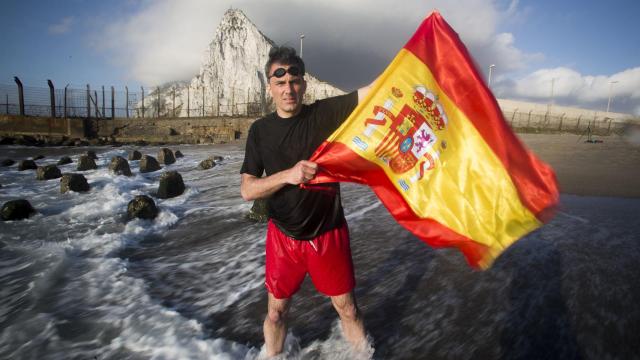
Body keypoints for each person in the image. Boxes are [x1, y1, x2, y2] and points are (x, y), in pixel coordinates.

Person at [240, 46, 374, 357]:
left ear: (304, 84)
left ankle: (363, 355)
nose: (289, 89)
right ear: (269, 87)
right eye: (280, 81)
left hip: (328, 233)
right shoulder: (260, 131)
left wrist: (419, 56)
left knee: (348, 310)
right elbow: (248, 189)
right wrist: (288, 175)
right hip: (283, 238)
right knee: (276, 313)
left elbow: (372, 92)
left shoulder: (323, 115)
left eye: (295, 80)